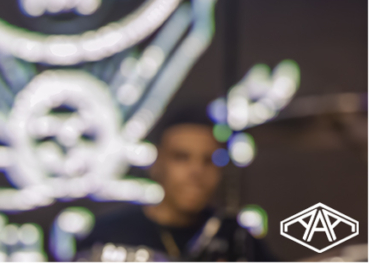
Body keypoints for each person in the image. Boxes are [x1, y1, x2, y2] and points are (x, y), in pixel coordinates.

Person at [76, 109, 274, 261]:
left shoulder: (237, 239)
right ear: (158, 164)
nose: (196, 172)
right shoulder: (109, 234)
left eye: (208, 160)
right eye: (181, 157)